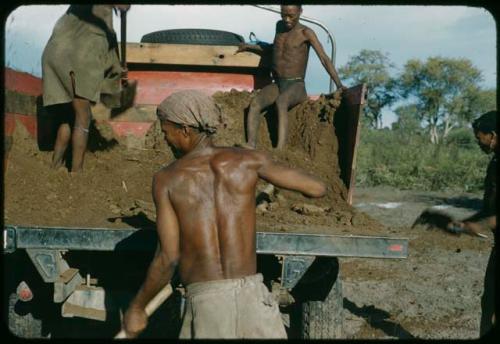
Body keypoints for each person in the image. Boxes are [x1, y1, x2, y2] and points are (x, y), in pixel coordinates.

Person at [121, 90, 327, 339]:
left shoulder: (167, 179)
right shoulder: (248, 161)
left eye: (167, 132)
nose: (166, 140)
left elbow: (168, 257)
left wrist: (137, 307)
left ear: (185, 130)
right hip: (254, 298)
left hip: (209, 307)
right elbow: (317, 189)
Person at [236, 4, 346, 149]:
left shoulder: (306, 33)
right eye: (283, 15)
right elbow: (274, 48)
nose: (287, 19)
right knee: (256, 103)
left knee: (281, 102)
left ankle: (280, 150)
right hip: (278, 84)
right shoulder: (279, 27)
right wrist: (250, 47)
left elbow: (324, 59)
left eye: (291, 16)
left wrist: (338, 84)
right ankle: (251, 144)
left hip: (296, 85)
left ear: (300, 12)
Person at [42, 5, 130, 173]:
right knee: (83, 115)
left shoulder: (77, 11)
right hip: (81, 54)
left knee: (68, 116)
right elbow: (112, 65)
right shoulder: (103, 26)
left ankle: (55, 165)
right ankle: (77, 173)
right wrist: (120, 71)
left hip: (54, 52)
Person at [447, 110, 497, 337]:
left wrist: (480, 225)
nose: (478, 142)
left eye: (480, 137)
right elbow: (490, 209)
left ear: (493, 135)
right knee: (489, 302)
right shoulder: (495, 163)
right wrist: (464, 224)